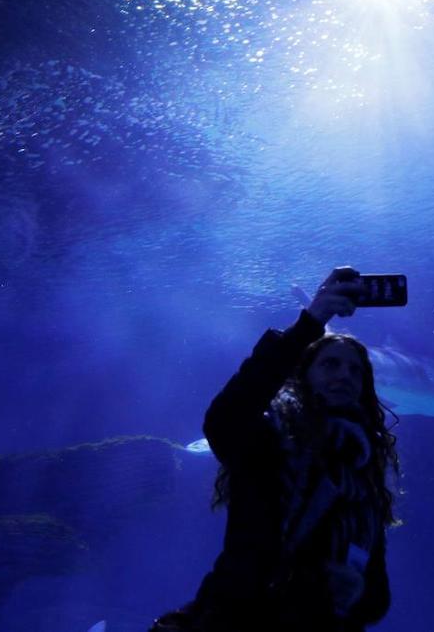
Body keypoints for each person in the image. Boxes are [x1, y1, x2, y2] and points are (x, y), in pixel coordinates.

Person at [151, 267, 400, 632]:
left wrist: (360, 592)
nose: (344, 376)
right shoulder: (263, 441)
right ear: (303, 375)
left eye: (355, 371)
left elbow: (377, 598)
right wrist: (310, 323)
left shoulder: (363, 476)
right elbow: (226, 415)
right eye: (330, 364)